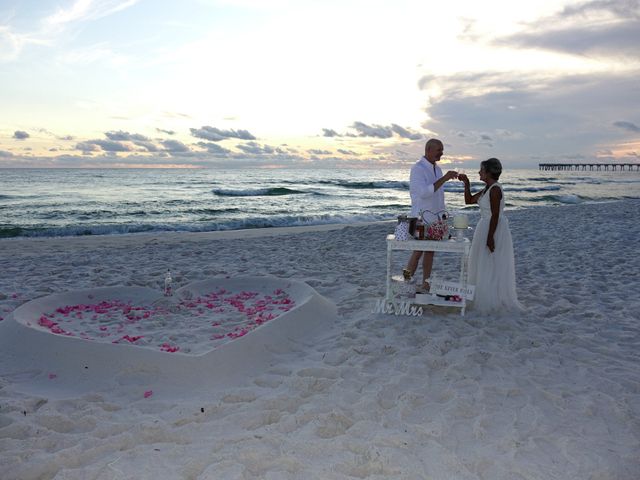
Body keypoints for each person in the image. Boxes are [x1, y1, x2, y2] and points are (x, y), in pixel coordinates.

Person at [458, 158, 523, 313]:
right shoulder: (486, 188)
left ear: (488, 173)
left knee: (491, 263)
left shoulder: (495, 190)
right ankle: (482, 294)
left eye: (481, 170)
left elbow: (495, 216)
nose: (479, 172)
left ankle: (492, 298)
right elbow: (469, 200)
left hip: (493, 228)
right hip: (484, 226)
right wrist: (466, 183)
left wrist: (490, 237)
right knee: (482, 262)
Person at [403, 138, 458, 292]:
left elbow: (439, 196)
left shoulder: (438, 169)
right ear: (428, 150)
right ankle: (405, 281)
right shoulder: (418, 168)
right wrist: (445, 178)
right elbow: (423, 192)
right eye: (439, 150)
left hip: (435, 219)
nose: (441, 153)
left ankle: (426, 284)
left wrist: (443, 218)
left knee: (430, 251)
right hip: (419, 218)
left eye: (442, 150)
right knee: (417, 252)